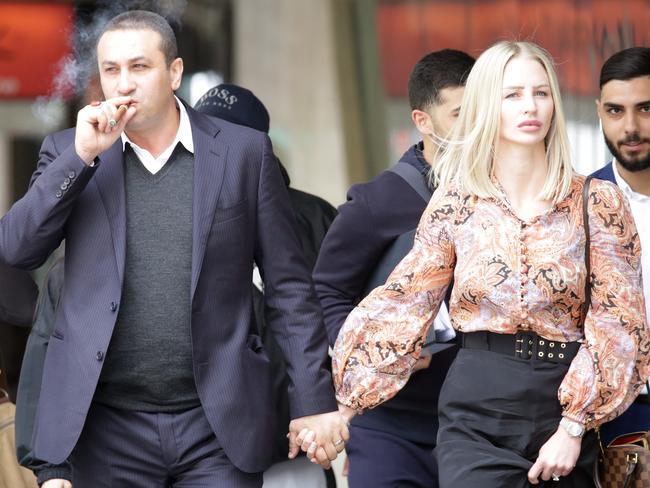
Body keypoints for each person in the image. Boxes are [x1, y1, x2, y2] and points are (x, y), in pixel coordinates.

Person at [0, 10, 347, 487]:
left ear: (175, 73)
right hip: (105, 425)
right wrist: (80, 159)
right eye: (111, 70)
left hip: (217, 424)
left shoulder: (244, 153)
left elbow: (290, 290)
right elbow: (17, 249)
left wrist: (313, 403)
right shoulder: (71, 151)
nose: (123, 84)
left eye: (139, 67)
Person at [329, 40, 650, 488]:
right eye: (512, 94)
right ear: (486, 105)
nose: (530, 106)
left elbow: (619, 320)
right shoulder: (455, 202)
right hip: (475, 409)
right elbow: (406, 300)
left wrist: (573, 427)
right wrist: (345, 405)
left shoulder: (596, 201)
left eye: (540, 92)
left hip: (562, 408)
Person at [312, 49, 474, 487]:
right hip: (389, 426)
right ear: (423, 121)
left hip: (476, 424)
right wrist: (375, 357)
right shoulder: (377, 201)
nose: (477, 125)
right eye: (461, 113)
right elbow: (327, 288)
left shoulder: (502, 197)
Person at [195, 83, 338, 488]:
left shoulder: (315, 218)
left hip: (297, 435)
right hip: (207, 442)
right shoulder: (178, 215)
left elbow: (338, 312)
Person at [590, 46, 650, 445]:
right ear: (599, 112)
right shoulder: (580, 204)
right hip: (622, 419)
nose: (630, 127)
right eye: (615, 111)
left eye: (646, 109)